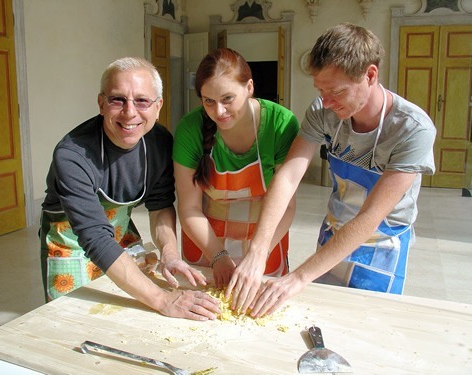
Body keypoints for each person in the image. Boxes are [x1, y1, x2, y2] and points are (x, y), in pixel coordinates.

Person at [226, 23, 436, 317]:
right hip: (334, 230)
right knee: (322, 316)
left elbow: (369, 218)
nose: (326, 102)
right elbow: (288, 177)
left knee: (363, 323)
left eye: (336, 91)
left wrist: (297, 277)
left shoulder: (412, 129)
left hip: (382, 242)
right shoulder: (323, 111)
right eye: (320, 90)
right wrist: (258, 251)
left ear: (370, 75)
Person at [39, 57, 220, 321]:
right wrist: (162, 299)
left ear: (158, 107)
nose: (130, 113)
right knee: (74, 324)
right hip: (70, 243)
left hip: (118, 234)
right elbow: (95, 237)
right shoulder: (72, 154)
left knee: (125, 319)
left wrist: (169, 254)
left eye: (142, 101)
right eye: (117, 100)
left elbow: (160, 206)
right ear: (101, 104)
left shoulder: (159, 142)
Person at [173, 48, 299, 288]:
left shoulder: (280, 124)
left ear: (249, 87)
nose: (218, 112)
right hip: (207, 242)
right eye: (208, 101)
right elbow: (189, 208)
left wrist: (257, 254)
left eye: (227, 99)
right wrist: (218, 256)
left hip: (264, 241)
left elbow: (287, 205)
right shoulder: (190, 130)